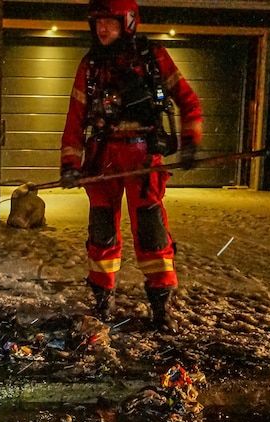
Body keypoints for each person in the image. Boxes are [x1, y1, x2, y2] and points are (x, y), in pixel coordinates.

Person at [60, 0, 203, 334]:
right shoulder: (90, 65)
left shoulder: (154, 58)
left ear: (128, 21)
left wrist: (191, 143)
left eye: (109, 22)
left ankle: (161, 304)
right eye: (97, 23)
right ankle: (102, 298)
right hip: (101, 159)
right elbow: (75, 119)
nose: (102, 29)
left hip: (143, 160)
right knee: (101, 232)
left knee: (152, 233)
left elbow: (189, 102)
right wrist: (70, 164)